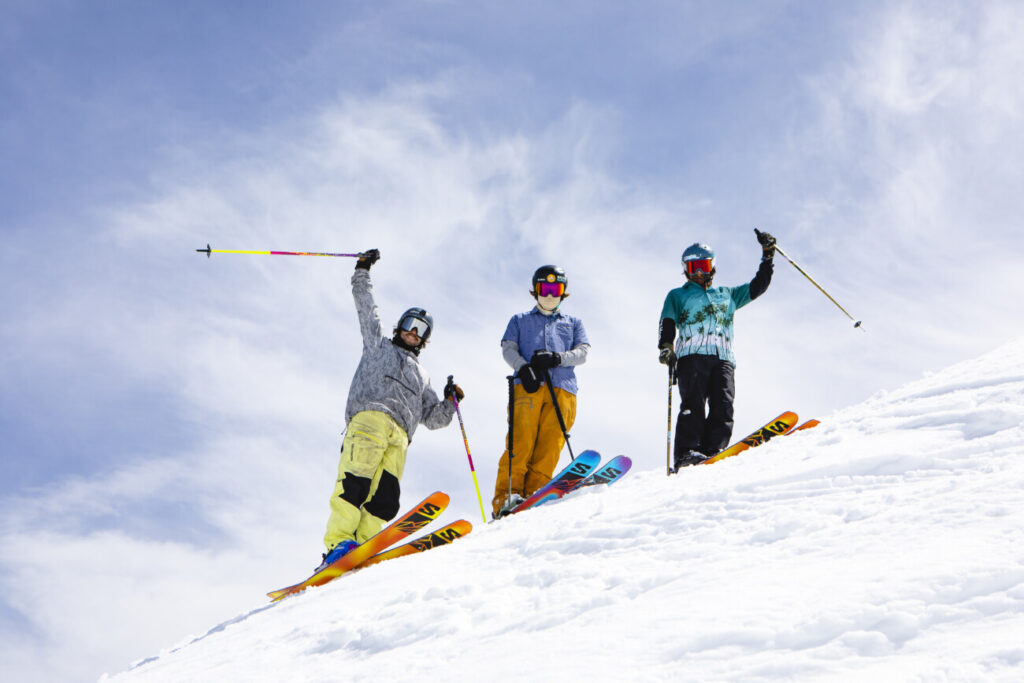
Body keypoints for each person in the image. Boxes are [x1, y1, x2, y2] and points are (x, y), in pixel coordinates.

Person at [319, 248, 463, 569]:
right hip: (369, 419)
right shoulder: (378, 345)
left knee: (385, 498)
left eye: (422, 330)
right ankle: (339, 543)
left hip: (400, 438)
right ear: (400, 326)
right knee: (355, 482)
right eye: (411, 324)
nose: (414, 332)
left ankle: (365, 544)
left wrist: (451, 402)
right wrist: (362, 272)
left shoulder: (423, 376)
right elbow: (366, 309)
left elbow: (433, 418)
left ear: (425, 340)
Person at [658, 229, 776, 470]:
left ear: (712, 266)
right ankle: (687, 452)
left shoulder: (727, 295)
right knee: (694, 403)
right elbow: (667, 321)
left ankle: (714, 449)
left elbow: (758, 286)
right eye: (693, 267)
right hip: (692, 356)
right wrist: (666, 348)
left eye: (703, 265)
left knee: (724, 403)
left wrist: (767, 256)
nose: (699, 272)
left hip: (723, 358)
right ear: (686, 270)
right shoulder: (678, 295)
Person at [491, 265, 590, 517]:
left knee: (550, 445)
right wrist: (523, 368)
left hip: (563, 390)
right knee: (521, 442)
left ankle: (534, 495)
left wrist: (557, 358)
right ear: (536, 290)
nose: (549, 295)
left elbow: (583, 353)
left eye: (555, 289)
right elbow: (508, 348)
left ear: (563, 292)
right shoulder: (520, 320)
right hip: (529, 387)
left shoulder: (573, 323)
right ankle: (507, 497)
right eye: (544, 289)